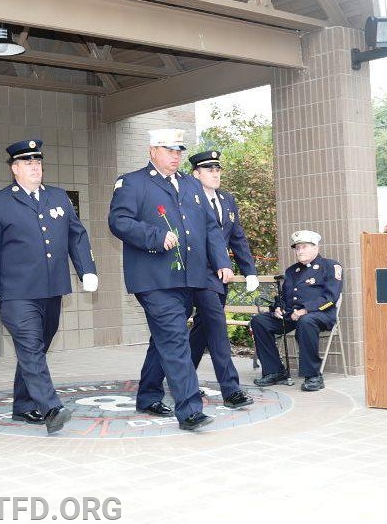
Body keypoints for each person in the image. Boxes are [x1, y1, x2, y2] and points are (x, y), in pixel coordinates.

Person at [108, 129, 234, 431]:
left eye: (179, 150)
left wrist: (221, 261)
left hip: (189, 278)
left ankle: (149, 395)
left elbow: (210, 227)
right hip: (153, 279)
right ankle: (190, 409)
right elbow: (118, 221)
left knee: (164, 338)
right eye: (169, 150)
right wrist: (154, 235)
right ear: (153, 151)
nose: (176, 156)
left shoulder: (191, 184)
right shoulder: (133, 182)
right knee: (176, 338)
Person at [0, 139, 98, 435]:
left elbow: (76, 236)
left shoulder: (58, 198)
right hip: (16, 293)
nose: (35, 168)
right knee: (30, 348)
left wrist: (87, 270)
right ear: (15, 169)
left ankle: (22, 405)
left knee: (35, 350)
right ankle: (51, 408)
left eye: (38, 163)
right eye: (28, 163)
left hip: (52, 290)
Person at [187, 150, 259, 409]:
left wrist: (249, 270)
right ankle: (231, 390)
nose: (216, 174)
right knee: (217, 328)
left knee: (202, 330)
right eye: (209, 170)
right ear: (196, 174)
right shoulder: (189, 198)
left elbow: (237, 237)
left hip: (221, 276)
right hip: (200, 274)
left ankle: (181, 380)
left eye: (218, 169)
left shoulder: (227, 199)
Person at [250, 230, 342, 392]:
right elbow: (284, 297)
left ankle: (313, 376)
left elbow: (330, 298)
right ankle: (274, 371)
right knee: (260, 321)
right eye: (297, 248)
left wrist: (305, 310)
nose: (300, 251)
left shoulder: (330, 266)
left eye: (304, 247)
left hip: (319, 315)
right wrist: (277, 308)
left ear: (316, 247)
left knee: (306, 321)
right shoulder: (292, 271)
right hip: (292, 314)